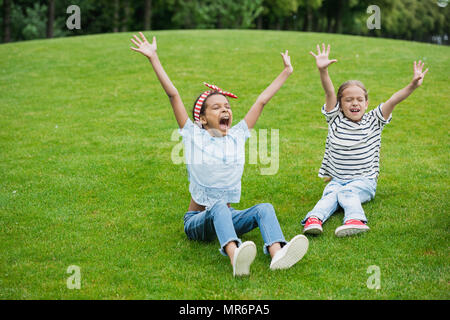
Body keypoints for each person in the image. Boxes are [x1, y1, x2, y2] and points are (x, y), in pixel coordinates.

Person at [130, 32, 308, 276]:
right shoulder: (194, 135)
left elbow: (261, 101)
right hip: (197, 222)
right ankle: (236, 258)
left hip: (227, 217)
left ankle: (277, 254)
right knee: (218, 207)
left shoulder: (237, 135)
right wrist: (153, 58)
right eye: (216, 107)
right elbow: (173, 94)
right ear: (202, 119)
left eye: (227, 106)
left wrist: (286, 72)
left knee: (264, 208)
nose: (225, 109)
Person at [302, 43, 428, 237]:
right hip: (338, 180)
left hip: (364, 181)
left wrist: (412, 85)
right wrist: (323, 70)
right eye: (348, 100)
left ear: (367, 103)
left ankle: (355, 220)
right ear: (340, 104)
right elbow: (329, 92)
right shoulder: (335, 118)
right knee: (329, 195)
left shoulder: (374, 120)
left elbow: (394, 100)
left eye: (359, 99)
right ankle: (314, 219)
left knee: (346, 194)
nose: (354, 103)